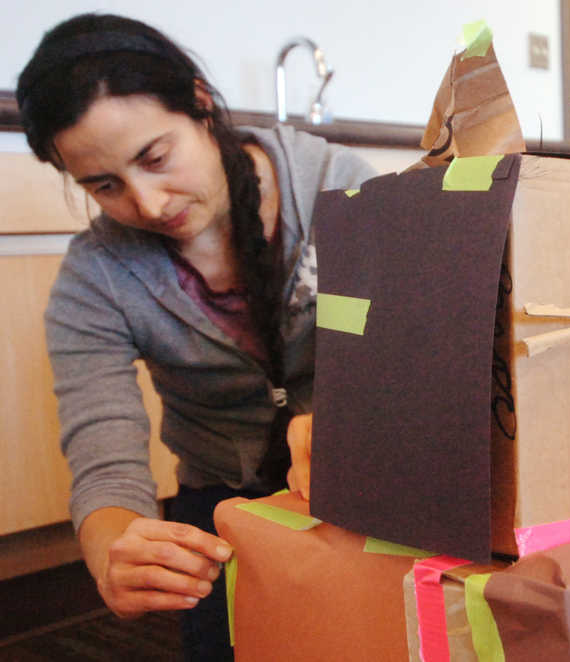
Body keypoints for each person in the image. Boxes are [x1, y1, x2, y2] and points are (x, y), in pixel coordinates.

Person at [16, 13, 375, 660]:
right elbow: (103, 450)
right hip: (217, 514)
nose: (148, 204)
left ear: (201, 105)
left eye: (155, 157)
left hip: (366, 482)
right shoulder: (96, 277)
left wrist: (349, 419)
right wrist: (116, 547)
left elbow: (409, 347)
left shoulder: (339, 187)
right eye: (105, 186)